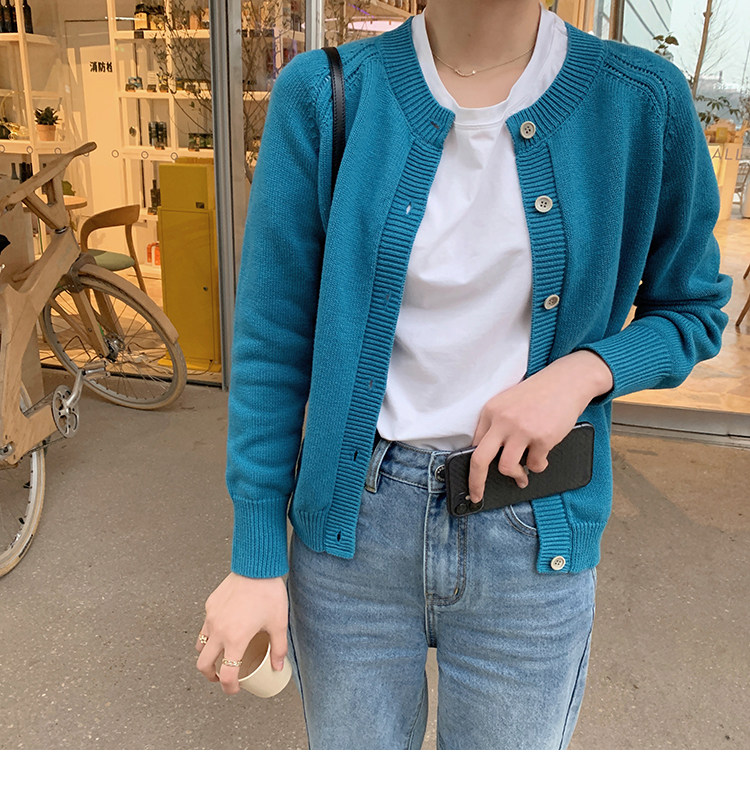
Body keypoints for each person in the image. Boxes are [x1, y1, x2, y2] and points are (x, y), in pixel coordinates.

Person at [196, 0, 732, 749]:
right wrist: (255, 554)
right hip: (353, 533)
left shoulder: (640, 102)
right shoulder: (326, 93)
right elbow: (272, 339)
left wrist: (583, 372)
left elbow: (693, 310)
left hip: (530, 534)